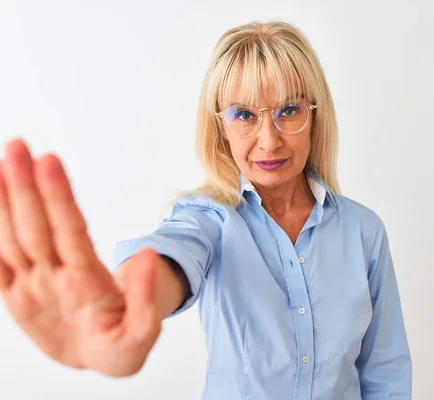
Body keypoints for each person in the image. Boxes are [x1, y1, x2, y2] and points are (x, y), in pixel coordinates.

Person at [0, 20, 412, 399]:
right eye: (245, 115)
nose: (269, 141)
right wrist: (128, 303)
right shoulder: (211, 219)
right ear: (221, 127)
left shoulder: (363, 232)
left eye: (289, 111)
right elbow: (174, 252)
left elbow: (385, 374)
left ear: (315, 116)